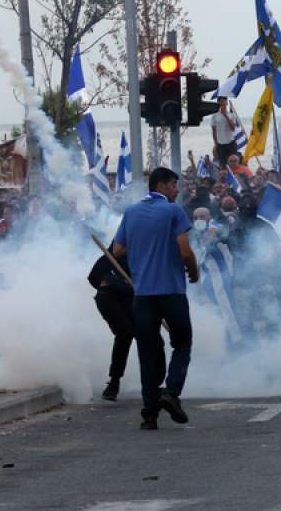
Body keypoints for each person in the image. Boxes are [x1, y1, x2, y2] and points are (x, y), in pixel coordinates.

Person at [111, 167, 200, 430]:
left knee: (148, 352)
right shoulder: (173, 211)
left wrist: (142, 247)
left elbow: (117, 250)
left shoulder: (131, 212)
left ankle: (149, 414)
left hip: (143, 297)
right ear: (161, 186)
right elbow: (185, 251)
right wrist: (194, 271)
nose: (177, 189)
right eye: (174, 184)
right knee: (182, 343)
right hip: (171, 292)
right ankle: (171, 394)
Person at [87, 246, 135, 401]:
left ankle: (153, 383)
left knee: (147, 335)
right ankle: (114, 382)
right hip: (109, 298)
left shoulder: (143, 254)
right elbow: (94, 277)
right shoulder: (111, 255)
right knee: (125, 334)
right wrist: (110, 282)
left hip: (132, 299)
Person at [210, 97, 241, 166]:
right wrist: (216, 144)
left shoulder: (231, 115)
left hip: (231, 142)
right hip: (220, 144)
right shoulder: (215, 116)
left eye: (224, 102)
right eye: (221, 102)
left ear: (226, 103)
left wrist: (226, 116)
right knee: (223, 164)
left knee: (233, 162)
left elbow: (233, 128)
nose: (222, 104)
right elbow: (214, 132)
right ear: (218, 103)